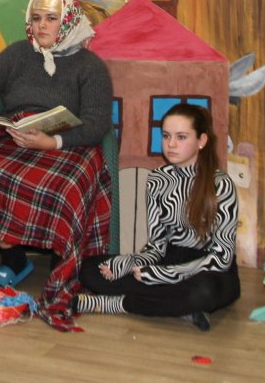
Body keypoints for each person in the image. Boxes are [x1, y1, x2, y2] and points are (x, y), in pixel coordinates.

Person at [0, 0, 114, 330]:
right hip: (18, 138)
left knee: (66, 186)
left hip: (69, 146)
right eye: (36, 18)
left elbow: (97, 125)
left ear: (68, 20)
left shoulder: (90, 66)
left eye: (51, 18)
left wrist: (52, 142)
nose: (42, 25)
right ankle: (14, 259)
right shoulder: (18, 54)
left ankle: (63, 267)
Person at [77, 102, 239, 331]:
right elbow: (156, 246)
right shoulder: (157, 179)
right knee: (88, 269)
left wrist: (166, 275)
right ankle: (181, 308)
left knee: (203, 293)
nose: (171, 144)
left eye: (181, 137)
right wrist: (128, 262)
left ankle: (117, 304)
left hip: (208, 269)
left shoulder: (221, 185)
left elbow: (222, 257)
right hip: (168, 258)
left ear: (201, 141)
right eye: (166, 136)